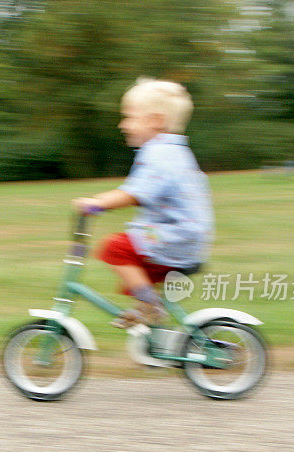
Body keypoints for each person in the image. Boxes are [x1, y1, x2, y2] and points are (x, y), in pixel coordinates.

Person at [72, 78, 214, 328]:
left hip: (174, 236)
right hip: (184, 237)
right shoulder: (173, 151)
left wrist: (97, 203)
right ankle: (149, 319)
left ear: (155, 121)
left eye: (129, 117)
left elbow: (135, 194)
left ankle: (149, 306)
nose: (122, 124)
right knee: (136, 270)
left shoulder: (160, 153)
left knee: (115, 248)